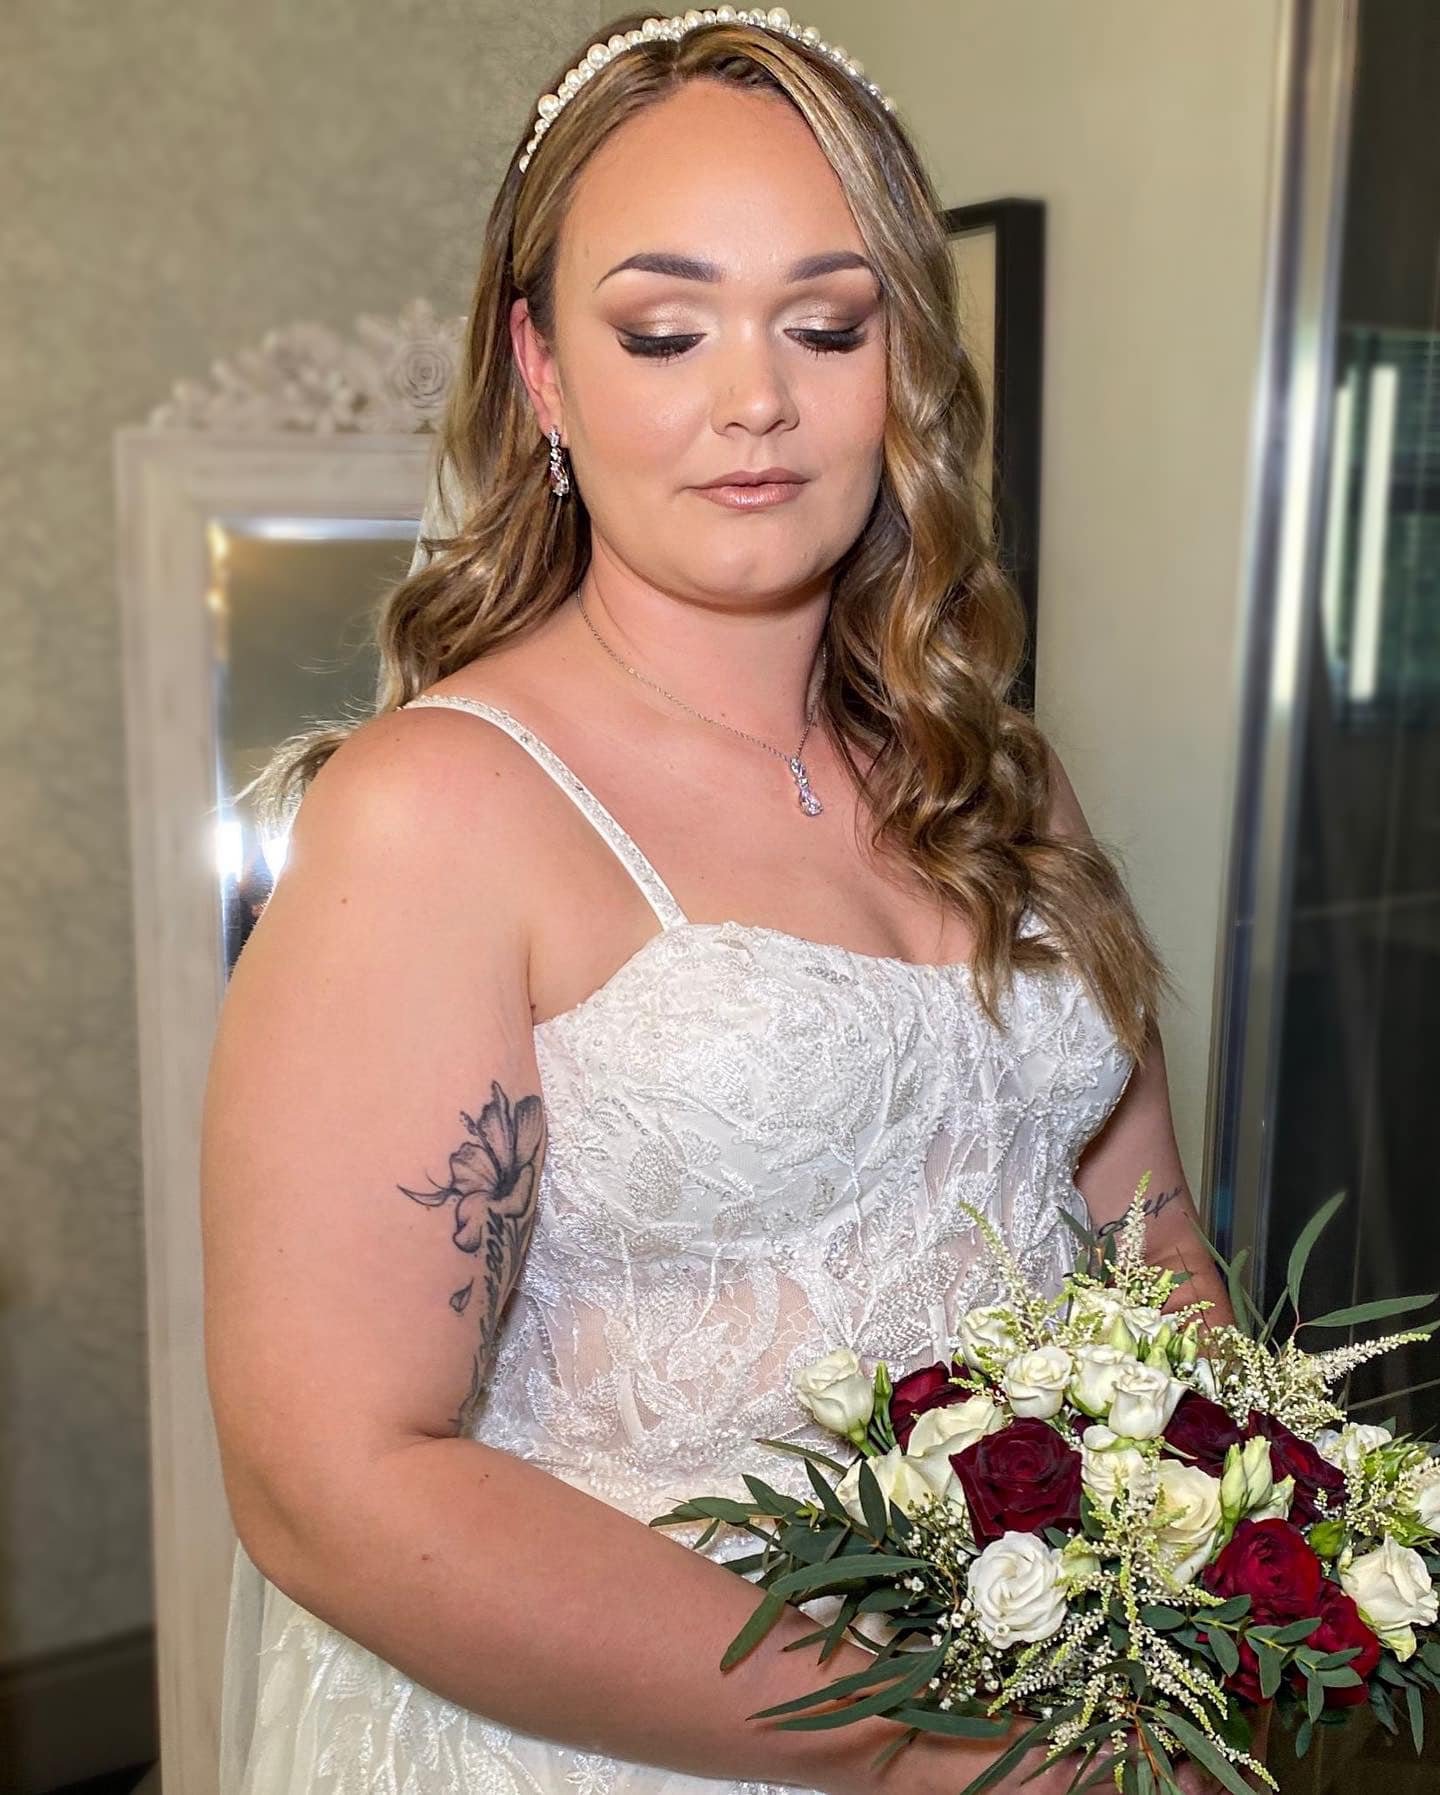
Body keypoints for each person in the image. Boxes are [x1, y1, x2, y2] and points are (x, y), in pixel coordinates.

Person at [202, 11, 1235, 1793]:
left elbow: (1154, 1251)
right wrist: (921, 1745)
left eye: (827, 326)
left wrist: (1208, 1579)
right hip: (634, 1741)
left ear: (902, 361)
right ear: (539, 372)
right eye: (664, 330)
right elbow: (335, 1485)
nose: (754, 400)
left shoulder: (1003, 780)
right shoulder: (439, 814)